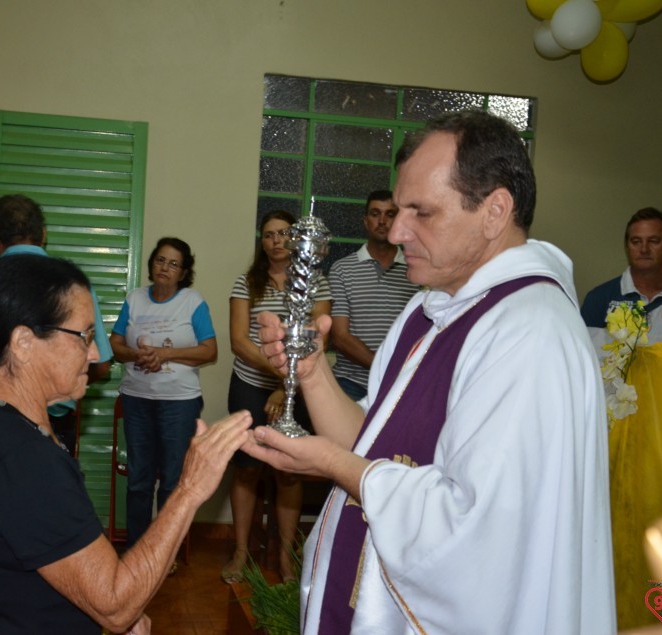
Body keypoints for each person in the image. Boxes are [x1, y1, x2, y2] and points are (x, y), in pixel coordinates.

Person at [243, 111, 616, 633]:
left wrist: (332, 465)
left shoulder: (530, 333)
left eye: (422, 212)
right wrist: (310, 372)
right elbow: (373, 440)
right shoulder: (432, 308)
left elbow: (475, 531)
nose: (396, 231)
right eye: (398, 210)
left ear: (495, 211)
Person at [0, 254, 252, 633]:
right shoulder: (16, 455)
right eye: (85, 336)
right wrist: (190, 490)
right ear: (24, 342)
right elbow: (115, 603)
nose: (94, 355)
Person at [223, 209, 332, 583]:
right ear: (262, 241)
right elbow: (239, 341)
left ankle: (285, 558)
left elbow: (317, 340)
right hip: (248, 385)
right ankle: (240, 551)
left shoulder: (315, 282)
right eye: (268, 235)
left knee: (288, 472)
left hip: (297, 391)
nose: (276, 241)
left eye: (283, 233)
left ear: (295, 238)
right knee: (247, 468)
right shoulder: (246, 283)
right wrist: (278, 375)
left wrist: (284, 386)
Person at [0, 193, 113, 452]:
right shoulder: (73, 286)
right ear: (44, 234)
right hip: (54, 420)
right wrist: (60, 384)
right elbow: (101, 365)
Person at [109, 237, 217, 548]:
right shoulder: (135, 298)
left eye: (173, 264)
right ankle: (136, 546)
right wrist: (137, 355)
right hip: (136, 398)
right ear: (151, 263)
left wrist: (164, 354)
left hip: (179, 403)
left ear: (183, 272)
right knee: (139, 477)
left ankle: (162, 550)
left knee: (171, 478)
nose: (164, 267)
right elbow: (116, 345)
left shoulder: (192, 301)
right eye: (160, 260)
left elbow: (210, 351)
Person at [328, 190, 419, 400]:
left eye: (390, 214)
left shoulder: (416, 270)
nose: (382, 221)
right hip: (351, 382)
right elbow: (340, 337)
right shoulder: (342, 269)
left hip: (401, 382)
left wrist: (395, 372)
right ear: (366, 221)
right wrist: (383, 367)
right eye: (375, 214)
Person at [581, 207, 662, 340]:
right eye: (636, 242)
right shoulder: (598, 298)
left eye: (653, 241)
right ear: (627, 246)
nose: (644, 249)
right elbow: (582, 354)